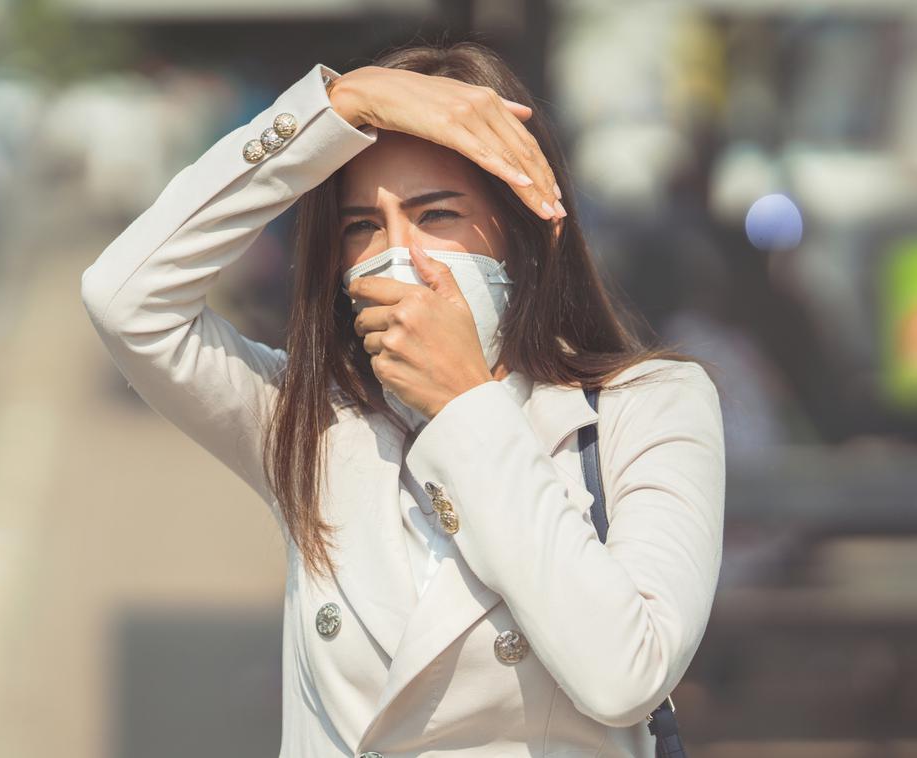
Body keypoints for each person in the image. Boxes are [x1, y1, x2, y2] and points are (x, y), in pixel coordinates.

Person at [81, 40, 725, 758]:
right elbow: (126, 300)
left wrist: (464, 404)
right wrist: (333, 108)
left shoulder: (646, 405)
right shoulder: (309, 421)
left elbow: (623, 675)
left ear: (519, 232)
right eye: (362, 226)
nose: (396, 254)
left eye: (436, 215)